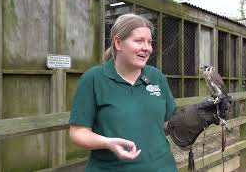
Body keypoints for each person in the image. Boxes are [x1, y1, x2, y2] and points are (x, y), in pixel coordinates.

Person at [69, 13, 178, 171]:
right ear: (118, 43)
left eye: (149, 42)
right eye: (139, 41)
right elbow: (78, 132)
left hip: (162, 167)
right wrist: (108, 143)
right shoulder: (93, 79)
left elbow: (169, 123)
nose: (146, 48)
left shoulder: (156, 77)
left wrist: (199, 117)